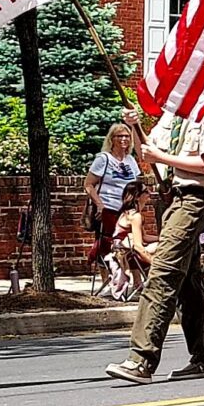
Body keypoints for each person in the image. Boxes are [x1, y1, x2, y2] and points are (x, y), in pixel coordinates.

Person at [105, 104, 204, 385]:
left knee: (162, 274)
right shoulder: (173, 116)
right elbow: (148, 152)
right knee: (188, 284)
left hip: (191, 199)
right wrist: (135, 127)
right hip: (169, 200)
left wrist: (161, 156)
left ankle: (141, 359)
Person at [85, 123, 141, 293]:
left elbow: (137, 183)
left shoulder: (131, 160)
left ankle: (137, 282)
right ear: (112, 139)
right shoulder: (104, 159)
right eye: (120, 136)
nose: (124, 139)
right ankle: (107, 282)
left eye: (126, 136)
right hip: (108, 207)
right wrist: (100, 205)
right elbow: (88, 185)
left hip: (128, 210)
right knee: (107, 245)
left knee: (131, 243)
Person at [109, 181, 157, 299]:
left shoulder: (128, 213)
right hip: (127, 253)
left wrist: (164, 237)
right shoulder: (136, 217)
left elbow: (144, 237)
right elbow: (138, 246)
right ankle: (155, 281)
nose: (149, 193)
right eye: (146, 191)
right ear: (137, 196)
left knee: (163, 243)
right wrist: (154, 263)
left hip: (120, 250)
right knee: (163, 248)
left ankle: (138, 283)